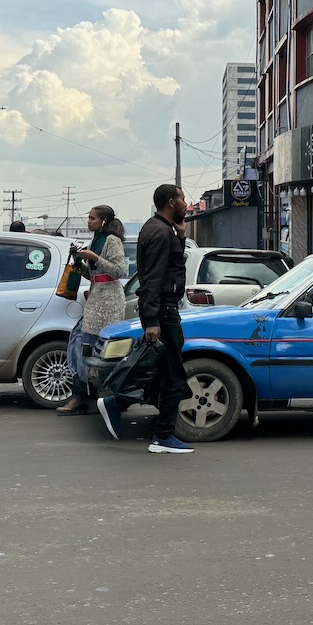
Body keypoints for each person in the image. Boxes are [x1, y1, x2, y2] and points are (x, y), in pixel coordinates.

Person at [98, 184, 193, 453]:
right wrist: (152, 320)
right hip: (162, 310)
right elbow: (153, 279)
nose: (186, 204)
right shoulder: (161, 233)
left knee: (160, 370)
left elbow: (168, 266)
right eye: (182, 199)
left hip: (160, 309)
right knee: (174, 375)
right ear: (171, 203)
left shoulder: (157, 228)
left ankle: (119, 403)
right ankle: (162, 437)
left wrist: (182, 237)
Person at [56, 205, 128, 415]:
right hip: (97, 297)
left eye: (92, 218)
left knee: (90, 347)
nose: (88, 221)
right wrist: (80, 262)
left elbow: (119, 270)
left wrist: (94, 258)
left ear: (103, 221)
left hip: (108, 301)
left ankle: (84, 397)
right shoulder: (95, 240)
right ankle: (86, 396)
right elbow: (94, 275)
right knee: (81, 344)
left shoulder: (111, 240)